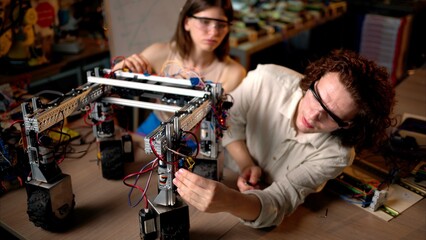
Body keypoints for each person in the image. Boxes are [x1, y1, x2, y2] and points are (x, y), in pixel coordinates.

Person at [173, 49, 396, 228]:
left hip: (239, 207)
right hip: (220, 176)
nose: (313, 114)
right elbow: (230, 122)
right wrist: (246, 164)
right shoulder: (266, 80)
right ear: (316, 78)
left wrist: (230, 201)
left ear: (347, 125)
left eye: (332, 115)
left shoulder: (336, 154)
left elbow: (278, 202)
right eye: (317, 96)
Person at [112, 0, 246, 135]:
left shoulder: (234, 73)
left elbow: (217, 125)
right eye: (205, 22)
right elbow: (110, 83)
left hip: (197, 139)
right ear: (187, 22)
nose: (213, 32)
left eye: (221, 24)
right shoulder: (160, 53)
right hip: (154, 127)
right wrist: (120, 68)